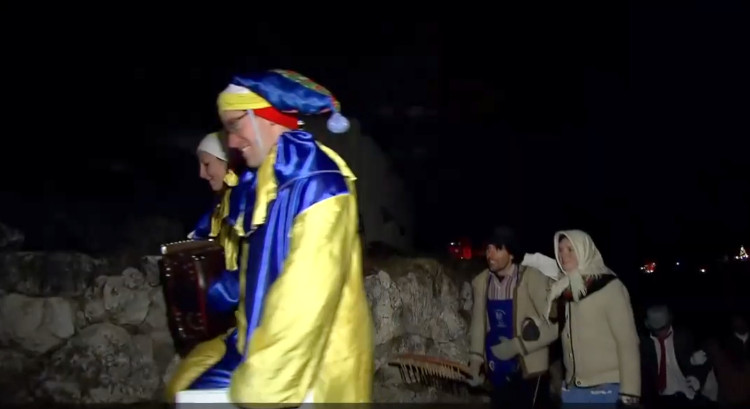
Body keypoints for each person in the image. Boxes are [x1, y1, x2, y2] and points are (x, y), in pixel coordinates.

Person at [175, 69, 373, 406]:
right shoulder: (261, 182)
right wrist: (210, 293)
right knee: (184, 387)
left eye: (235, 126)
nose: (231, 142)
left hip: (310, 365)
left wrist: (265, 383)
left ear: (266, 118)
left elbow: (307, 297)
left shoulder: (320, 184)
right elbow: (257, 271)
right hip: (256, 345)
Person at [164, 132, 256, 399]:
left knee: (185, 392)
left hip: (254, 328)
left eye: (207, 165)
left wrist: (216, 294)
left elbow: (255, 269)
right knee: (180, 390)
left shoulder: (247, 201)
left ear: (227, 163)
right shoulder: (224, 203)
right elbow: (202, 234)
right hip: (233, 326)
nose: (202, 174)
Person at [543, 229, 641, 408]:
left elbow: (627, 341)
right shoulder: (563, 290)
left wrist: (630, 394)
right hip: (573, 390)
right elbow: (557, 331)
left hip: (607, 390)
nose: (563, 255)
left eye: (570, 249)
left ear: (584, 250)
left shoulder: (609, 287)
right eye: (560, 250)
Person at [467, 226, 560, 408]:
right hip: (496, 369)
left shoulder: (532, 279)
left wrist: (516, 346)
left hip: (529, 372)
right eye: (488, 249)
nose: (490, 254)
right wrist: (476, 359)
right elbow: (478, 323)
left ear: (511, 254)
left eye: (498, 248)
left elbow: (556, 326)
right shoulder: (481, 282)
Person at [639, 304, 712, 408]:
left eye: (664, 327)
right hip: (660, 401)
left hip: (686, 396)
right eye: (657, 329)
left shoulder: (684, 336)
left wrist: (697, 378)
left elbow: (707, 360)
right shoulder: (644, 344)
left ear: (670, 321)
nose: (662, 332)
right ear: (649, 326)